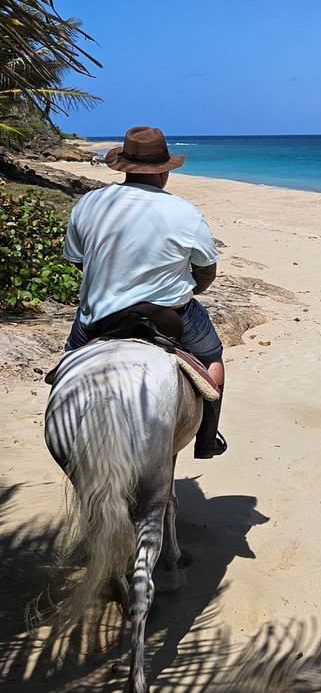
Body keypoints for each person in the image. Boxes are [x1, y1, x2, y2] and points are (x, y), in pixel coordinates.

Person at [62, 126, 228, 459]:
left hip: (101, 315)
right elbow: (207, 270)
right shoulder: (186, 213)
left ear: (123, 166)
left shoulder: (89, 203)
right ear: (164, 169)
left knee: (67, 364)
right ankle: (207, 440)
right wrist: (191, 289)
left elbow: (77, 260)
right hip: (171, 315)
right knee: (213, 358)